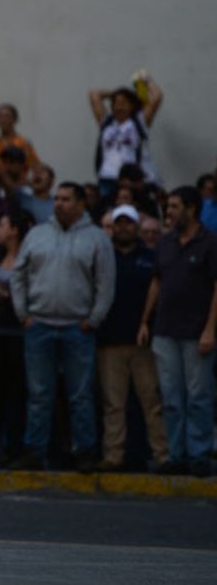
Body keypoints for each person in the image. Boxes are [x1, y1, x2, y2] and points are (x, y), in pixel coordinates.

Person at [10, 183, 115, 472]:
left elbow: (106, 283)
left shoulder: (96, 239)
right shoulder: (37, 234)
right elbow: (18, 275)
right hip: (39, 325)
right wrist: (23, 313)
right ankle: (35, 450)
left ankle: (84, 452)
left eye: (66, 199)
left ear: (81, 203)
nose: (58, 204)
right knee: (39, 394)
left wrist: (93, 319)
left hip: (77, 328)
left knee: (80, 395)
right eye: (56, 199)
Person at [139, 186, 217, 477]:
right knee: (171, 397)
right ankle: (176, 453)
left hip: (197, 331)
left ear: (191, 209)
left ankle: (198, 453)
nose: (168, 213)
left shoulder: (210, 243)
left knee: (198, 395)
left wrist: (211, 329)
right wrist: (145, 321)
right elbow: (156, 282)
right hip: (165, 329)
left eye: (173, 207)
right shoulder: (165, 243)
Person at [95, 205, 169, 473]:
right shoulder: (102, 259)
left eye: (128, 223)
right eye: (119, 223)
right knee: (113, 403)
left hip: (142, 343)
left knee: (151, 401)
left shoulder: (150, 258)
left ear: (136, 226)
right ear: (112, 226)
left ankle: (162, 456)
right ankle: (113, 455)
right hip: (110, 341)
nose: (124, 227)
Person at [0, 212, 30, 468]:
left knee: (17, 393)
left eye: (1, 224)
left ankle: (15, 447)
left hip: (20, 335)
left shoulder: (29, 259)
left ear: (14, 229)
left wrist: (8, 294)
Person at [88, 77, 164, 198]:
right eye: (116, 103)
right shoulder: (106, 122)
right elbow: (94, 94)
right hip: (108, 177)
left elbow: (157, 97)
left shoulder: (139, 121)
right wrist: (114, 94)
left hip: (133, 180)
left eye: (124, 103)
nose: (119, 107)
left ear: (132, 106)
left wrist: (147, 82)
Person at [0, 104, 40, 193]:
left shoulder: (24, 144)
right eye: (0, 116)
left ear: (15, 119)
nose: (3, 120)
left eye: (6, 116)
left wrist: (28, 182)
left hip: (20, 189)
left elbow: (36, 168)